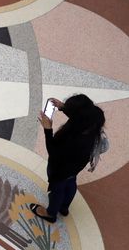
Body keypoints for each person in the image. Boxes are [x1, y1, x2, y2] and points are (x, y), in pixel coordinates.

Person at [31, 94, 106, 223]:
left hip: (60, 169)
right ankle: (64, 208)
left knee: (56, 189)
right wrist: (63, 108)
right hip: (76, 166)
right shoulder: (94, 118)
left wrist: (47, 130)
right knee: (71, 182)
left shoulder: (72, 139)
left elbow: (54, 153)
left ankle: (51, 213)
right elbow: (81, 117)